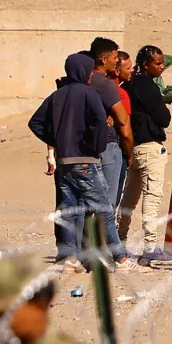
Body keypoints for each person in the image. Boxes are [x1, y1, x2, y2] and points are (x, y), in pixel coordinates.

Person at [27, 53, 136, 271]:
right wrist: (95, 144)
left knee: (70, 209)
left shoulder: (56, 95)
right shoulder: (89, 93)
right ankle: (120, 258)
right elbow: (99, 123)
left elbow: (35, 123)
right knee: (104, 208)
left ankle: (70, 258)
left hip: (64, 161)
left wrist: (57, 140)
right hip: (86, 160)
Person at [117, 45, 172, 263]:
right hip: (150, 147)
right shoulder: (147, 85)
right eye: (157, 63)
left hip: (133, 147)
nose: (161, 67)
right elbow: (164, 118)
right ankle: (150, 247)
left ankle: (119, 241)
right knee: (152, 196)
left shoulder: (128, 84)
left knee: (129, 198)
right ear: (146, 64)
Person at [86, 37, 127, 204]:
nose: (117, 62)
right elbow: (123, 119)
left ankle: (91, 231)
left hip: (86, 145)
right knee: (107, 203)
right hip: (107, 144)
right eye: (115, 58)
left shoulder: (84, 81)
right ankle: (104, 231)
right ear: (103, 59)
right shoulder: (104, 83)